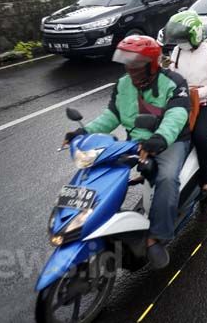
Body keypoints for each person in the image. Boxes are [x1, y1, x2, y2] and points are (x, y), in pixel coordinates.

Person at [64, 35, 190, 269]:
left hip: (169, 142)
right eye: (128, 64)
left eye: (136, 65)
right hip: (134, 142)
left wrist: (159, 139)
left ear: (152, 64)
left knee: (166, 177)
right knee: (98, 171)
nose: (130, 70)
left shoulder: (174, 82)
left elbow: (176, 116)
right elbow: (111, 115)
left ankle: (157, 236)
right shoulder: (123, 84)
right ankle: (93, 221)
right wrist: (83, 133)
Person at [164, 11, 207, 196]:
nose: (179, 43)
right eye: (177, 39)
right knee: (165, 131)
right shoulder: (178, 50)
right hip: (183, 102)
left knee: (200, 135)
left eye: (182, 39)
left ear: (195, 34)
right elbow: (173, 73)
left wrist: (196, 93)